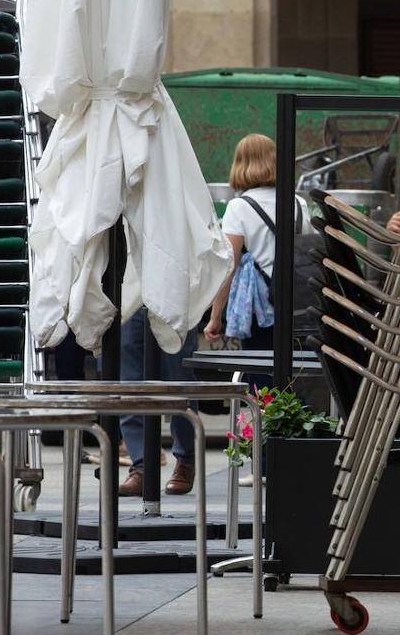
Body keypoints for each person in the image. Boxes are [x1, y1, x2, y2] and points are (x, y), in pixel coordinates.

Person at [204, 133, 311, 354]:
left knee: (261, 371)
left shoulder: (239, 207)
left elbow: (229, 265)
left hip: (260, 309)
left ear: (240, 164)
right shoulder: (299, 203)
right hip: (298, 304)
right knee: (296, 368)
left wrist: (215, 316)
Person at [116, 307, 198, 496]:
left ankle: (186, 458)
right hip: (131, 295)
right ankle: (142, 466)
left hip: (173, 295)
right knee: (130, 382)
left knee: (179, 377)